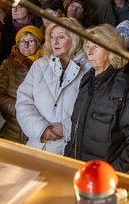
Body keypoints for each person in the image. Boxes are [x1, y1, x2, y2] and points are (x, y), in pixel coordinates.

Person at [65, 25, 129, 172]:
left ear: (111, 49)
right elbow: (77, 129)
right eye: (87, 46)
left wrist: (112, 172)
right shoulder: (87, 81)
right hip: (78, 170)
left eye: (96, 47)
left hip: (105, 178)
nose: (89, 52)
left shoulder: (127, 88)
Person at [16, 17, 90, 155]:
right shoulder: (39, 65)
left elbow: (93, 109)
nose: (55, 42)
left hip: (71, 149)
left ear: (74, 39)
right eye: (52, 37)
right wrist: (41, 129)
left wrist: (68, 128)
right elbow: (23, 101)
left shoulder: (89, 69)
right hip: (37, 146)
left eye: (61, 37)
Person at [0, 25, 44, 144]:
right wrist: (19, 108)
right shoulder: (8, 64)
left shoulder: (46, 65)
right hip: (11, 126)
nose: (26, 45)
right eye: (22, 41)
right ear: (17, 43)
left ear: (38, 44)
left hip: (36, 127)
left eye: (31, 41)